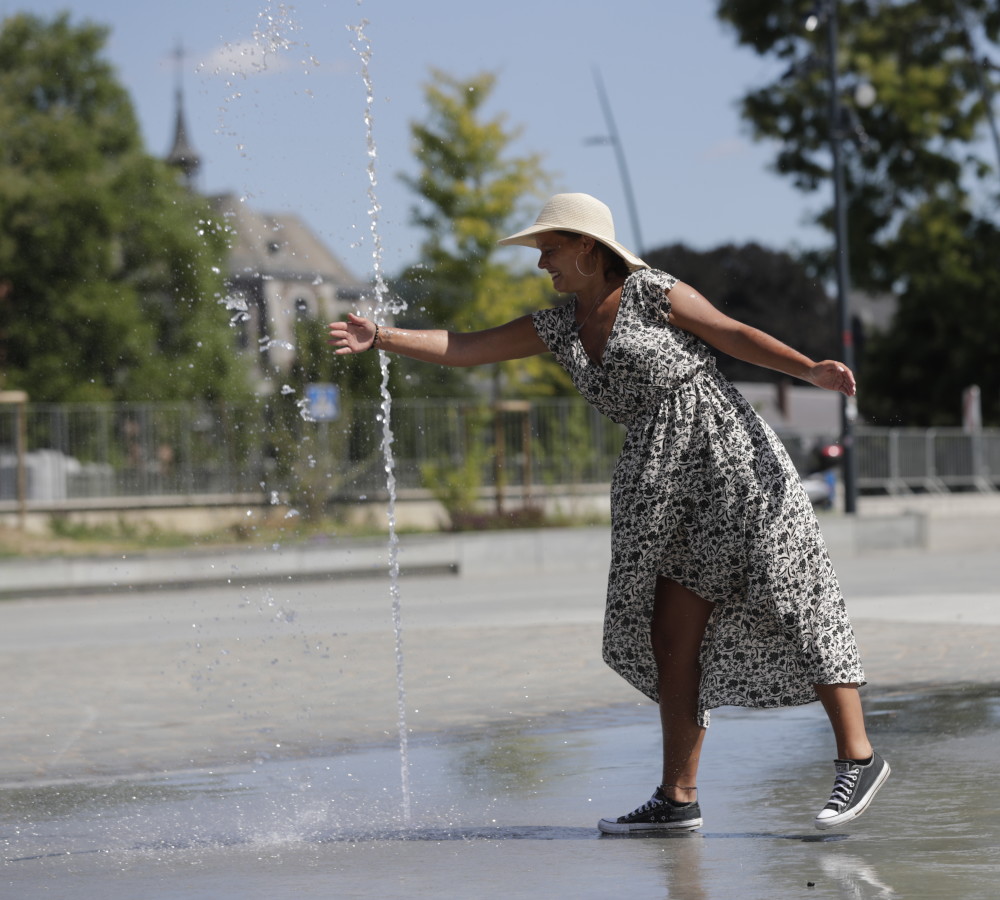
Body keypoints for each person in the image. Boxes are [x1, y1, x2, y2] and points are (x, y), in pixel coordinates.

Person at [328, 192, 890, 834]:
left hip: (726, 455)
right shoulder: (560, 325)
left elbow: (729, 332)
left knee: (792, 592)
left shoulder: (653, 291)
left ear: (589, 250)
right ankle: (678, 799)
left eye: (550, 250)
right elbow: (466, 347)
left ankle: (858, 755)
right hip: (659, 483)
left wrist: (807, 368)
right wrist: (384, 338)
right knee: (671, 637)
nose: (542, 264)